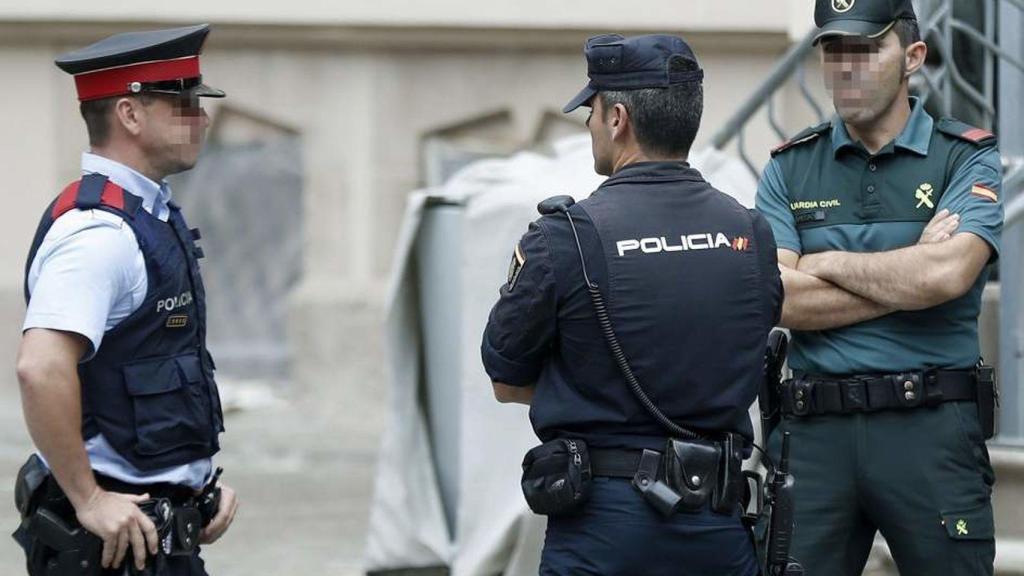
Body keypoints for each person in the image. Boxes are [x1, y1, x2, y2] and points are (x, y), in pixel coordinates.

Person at [481, 33, 783, 576]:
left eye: (592, 111)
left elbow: (506, 379)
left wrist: (583, 383)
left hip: (603, 527)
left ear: (618, 118)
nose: (591, 125)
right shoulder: (751, 234)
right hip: (719, 524)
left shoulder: (562, 238)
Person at [754, 1, 1003, 574]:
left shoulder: (963, 158)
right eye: (835, 51)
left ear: (913, 57)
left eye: (866, 50)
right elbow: (777, 296)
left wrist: (823, 261)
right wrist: (911, 262)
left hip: (931, 431)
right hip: (814, 435)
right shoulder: (791, 166)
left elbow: (947, 274)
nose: (847, 66)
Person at [14, 24, 238, 575]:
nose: (201, 118)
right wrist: (89, 499)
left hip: (157, 539)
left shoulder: (149, 216)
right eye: (183, 102)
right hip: (113, 550)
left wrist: (197, 484)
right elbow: (40, 369)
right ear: (130, 115)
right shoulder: (99, 233)